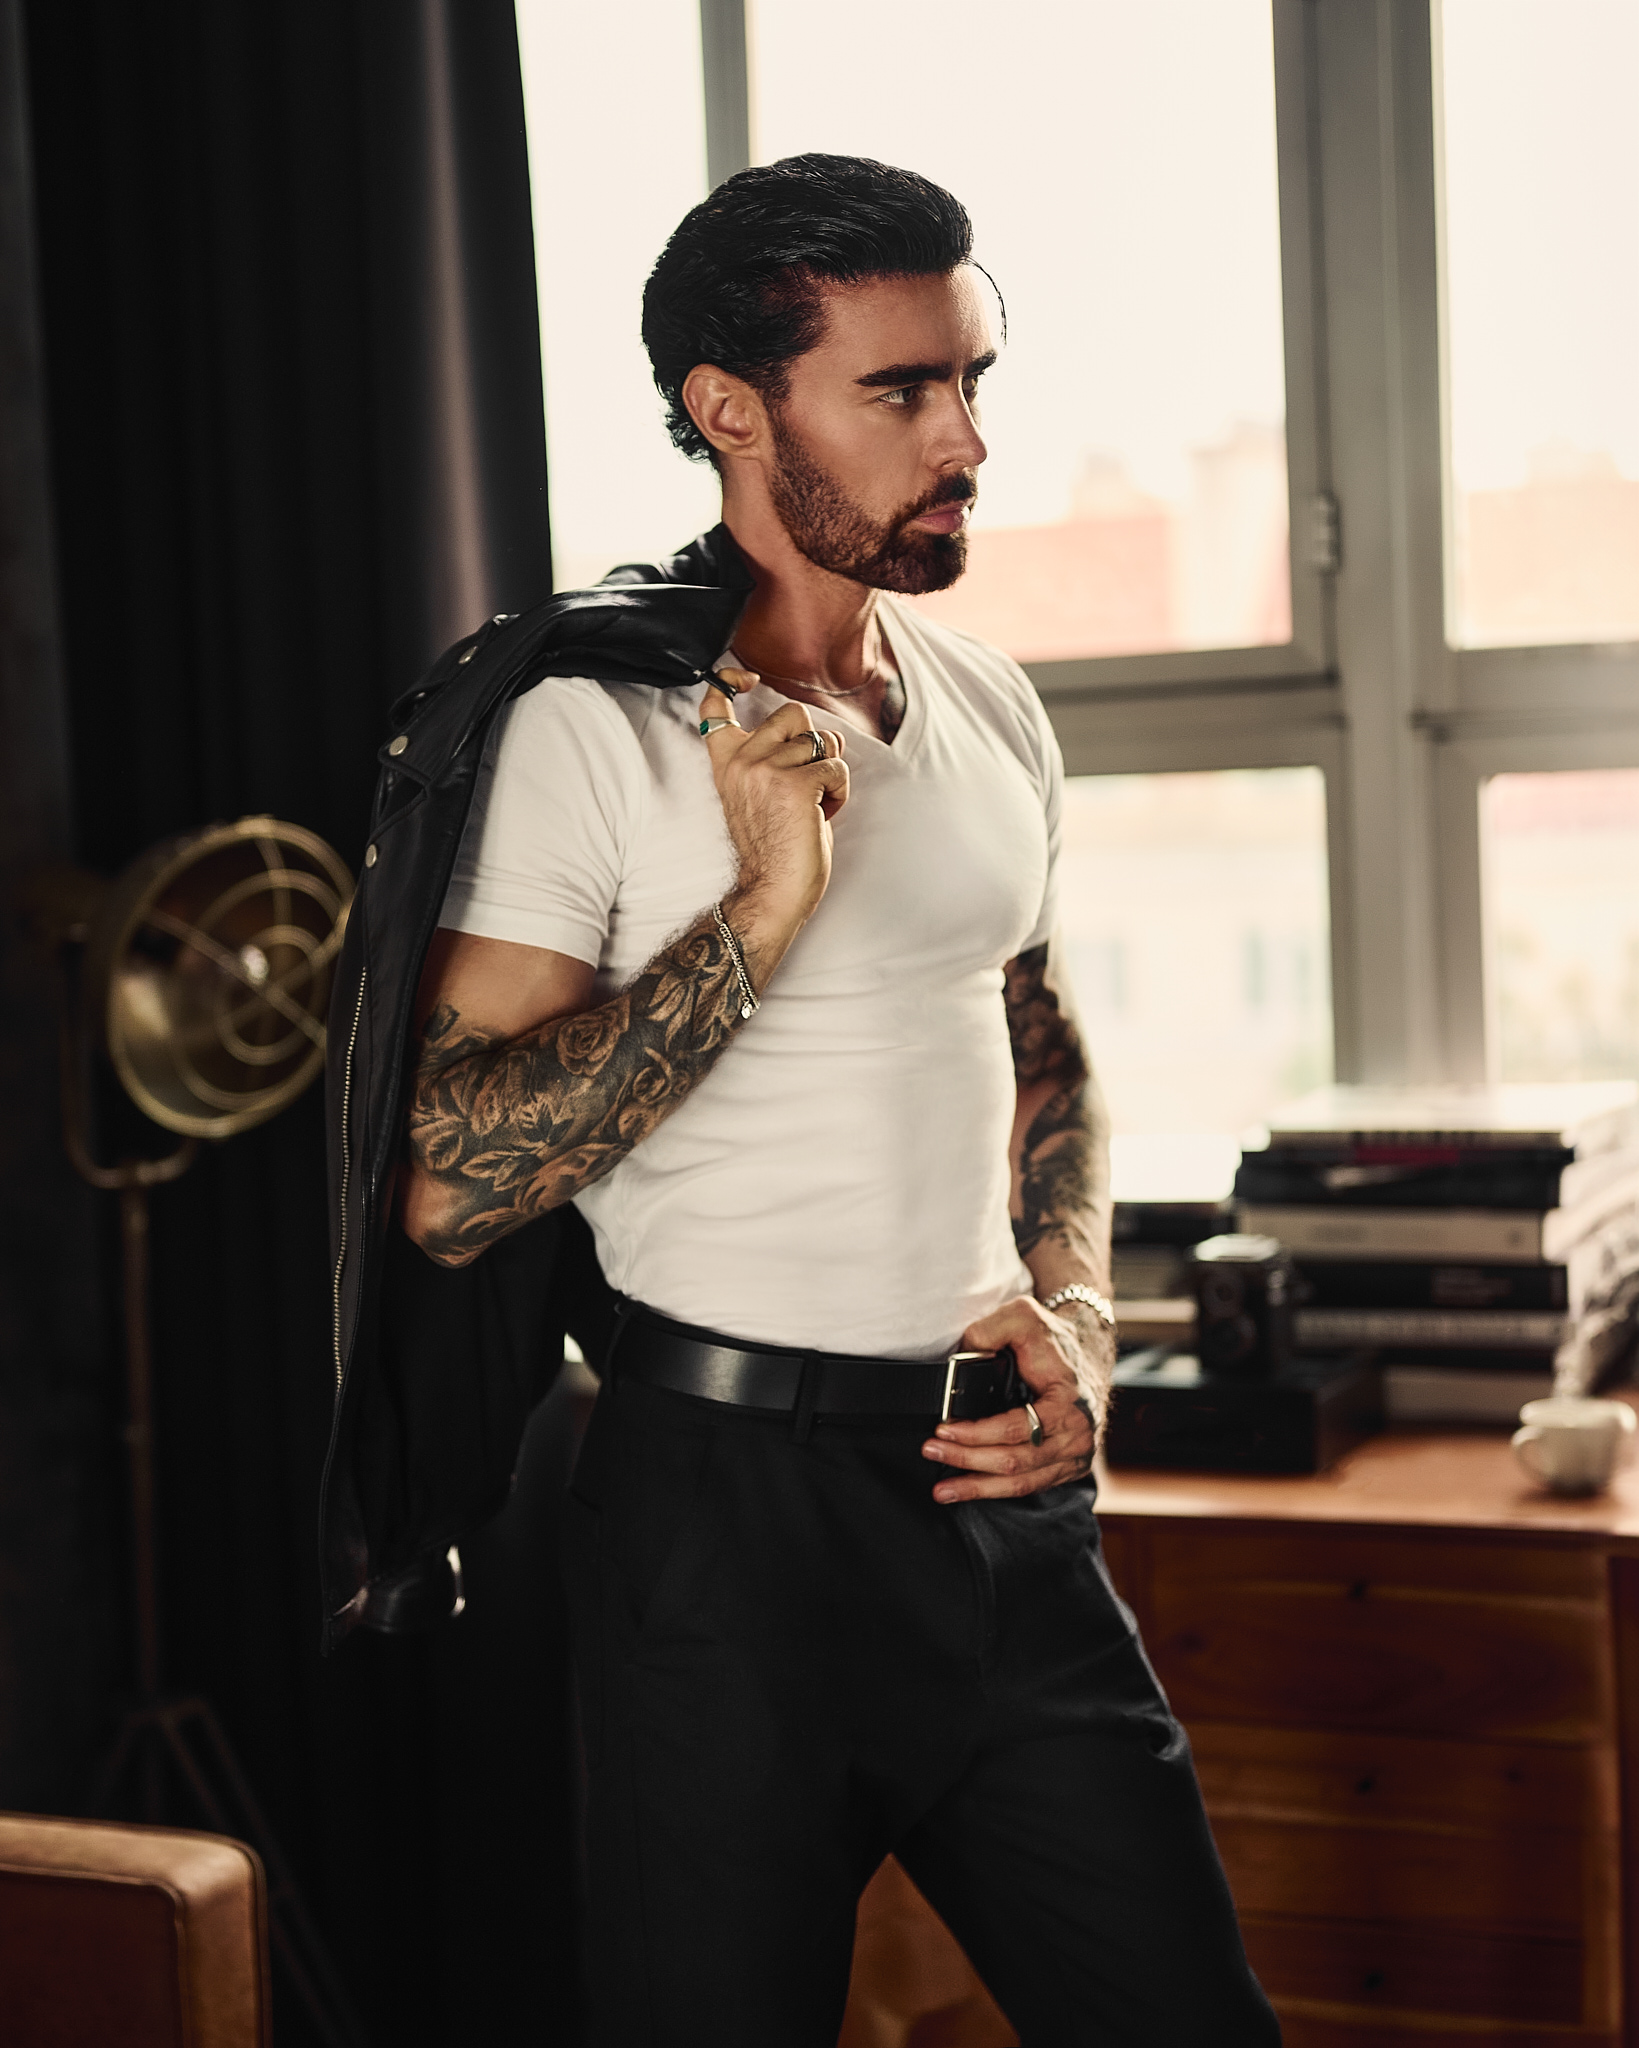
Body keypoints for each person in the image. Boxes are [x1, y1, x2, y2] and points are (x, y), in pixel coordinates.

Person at [398, 154, 1278, 2047]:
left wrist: (1081, 1313)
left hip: (998, 1502)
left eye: (972, 380)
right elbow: (453, 1179)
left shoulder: (989, 701)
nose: (966, 440)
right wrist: (760, 910)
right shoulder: (585, 728)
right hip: (720, 1524)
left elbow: (1040, 1038)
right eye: (901, 391)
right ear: (732, 410)